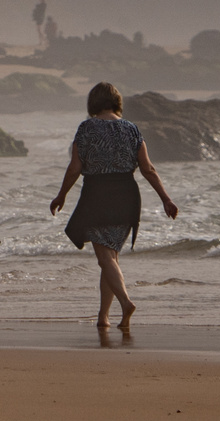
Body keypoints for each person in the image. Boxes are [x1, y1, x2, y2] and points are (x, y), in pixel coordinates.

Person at [49, 82, 178, 331]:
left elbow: (75, 167)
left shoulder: (86, 128)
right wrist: (166, 198)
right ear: (117, 102)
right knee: (111, 257)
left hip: (98, 194)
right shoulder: (132, 129)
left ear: (93, 103)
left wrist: (61, 195)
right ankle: (103, 317)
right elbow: (148, 168)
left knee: (105, 257)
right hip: (127, 195)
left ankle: (126, 302)